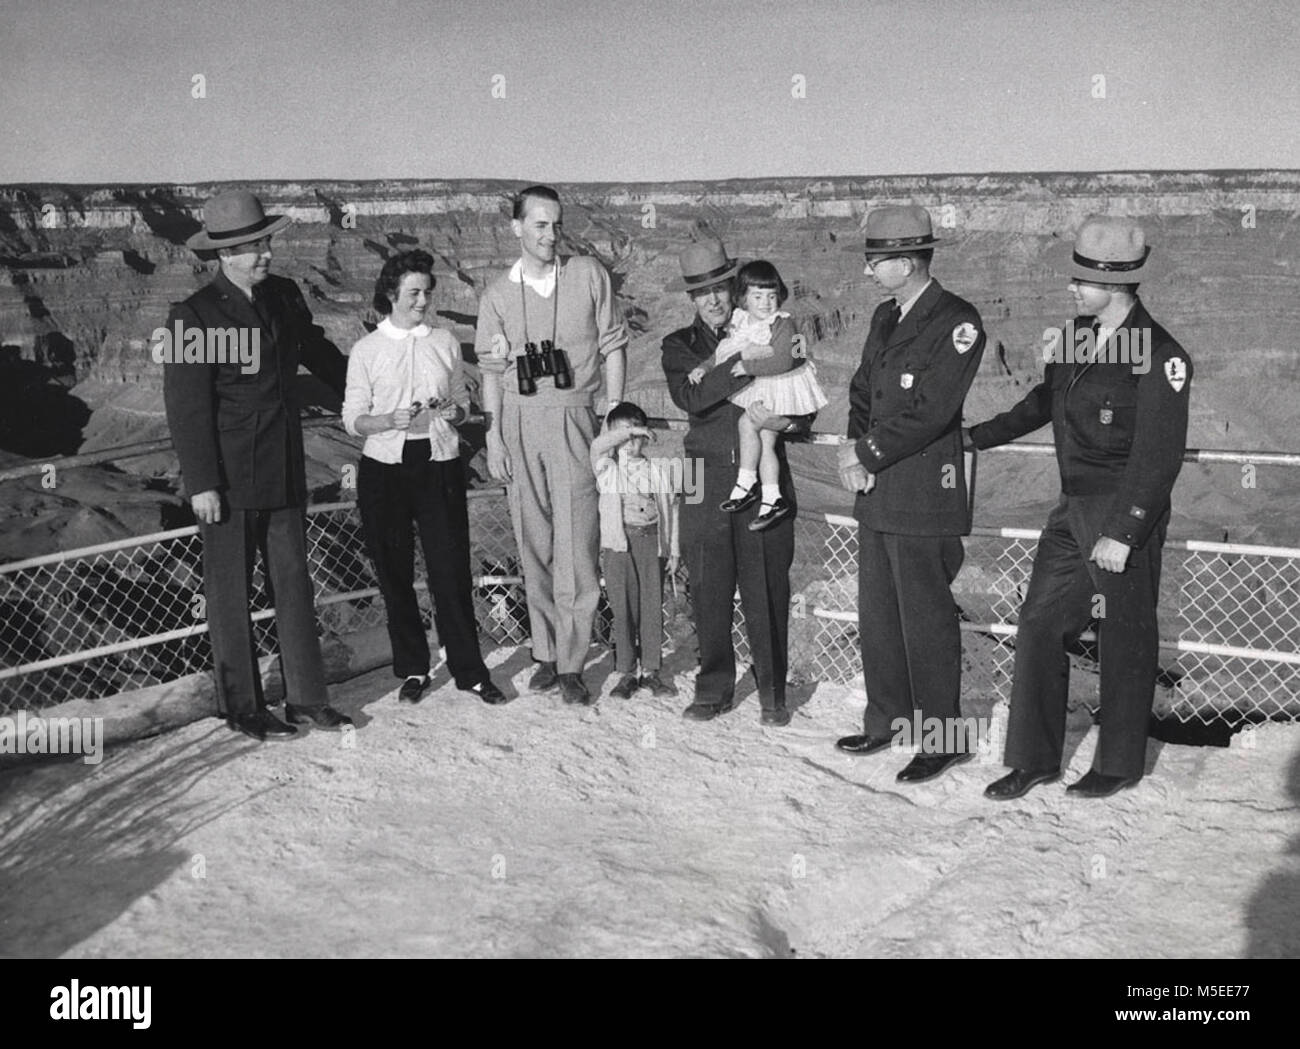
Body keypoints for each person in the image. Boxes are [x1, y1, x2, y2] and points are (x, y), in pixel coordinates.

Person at [969, 216, 1192, 800]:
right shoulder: (1077, 335)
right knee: (1040, 622)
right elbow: (1042, 400)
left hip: (1120, 512)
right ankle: (1034, 759)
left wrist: (1126, 530)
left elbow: (1159, 455)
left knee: (1124, 634)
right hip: (1071, 509)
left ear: (1115, 283)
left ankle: (1119, 763)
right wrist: (975, 437)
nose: (1070, 288)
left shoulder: (1163, 355)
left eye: (1079, 280)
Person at [162, 189, 352, 741]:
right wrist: (202, 482)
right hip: (227, 478)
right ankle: (243, 707)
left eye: (265, 240)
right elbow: (187, 407)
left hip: (286, 466)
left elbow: (318, 352)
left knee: (294, 585)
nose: (265, 252)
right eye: (252, 245)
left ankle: (308, 701)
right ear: (223, 254)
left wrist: (363, 393)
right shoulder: (193, 315)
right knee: (230, 595)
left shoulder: (285, 296)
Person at [834, 204, 986, 782]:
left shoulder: (957, 321)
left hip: (923, 492)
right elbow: (862, 391)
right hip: (875, 491)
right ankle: (887, 722)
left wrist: (867, 453)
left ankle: (943, 738)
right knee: (878, 615)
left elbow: (932, 411)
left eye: (876, 258)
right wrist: (854, 454)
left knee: (927, 620)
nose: (870, 268)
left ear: (906, 260)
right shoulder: (883, 316)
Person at [474, 185, 629, 706]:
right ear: (516, 227)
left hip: (574, 419)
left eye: (557, 224)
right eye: (539, 225)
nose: (550, 234)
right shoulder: (497, 294)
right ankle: (544, 651)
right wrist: (493, 434)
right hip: (519, 423)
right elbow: (491, 372)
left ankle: (571, 662)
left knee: (577, 546)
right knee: (533, 542)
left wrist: (614, 415)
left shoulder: (588, 276)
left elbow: (613, 346)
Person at [661, 239, 817, 727]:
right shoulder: (678, 347)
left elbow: (804, 406)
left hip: (765, 477)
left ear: (735, 287)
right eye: (701, 292)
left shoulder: (777, 330)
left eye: (720, 288)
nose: (713, 300)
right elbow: (694, 398)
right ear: (691, 298)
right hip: (705, 479)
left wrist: (786, 424)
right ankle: (713, 688)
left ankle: (773, 694)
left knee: (767, 584)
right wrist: (747, 362)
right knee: (708, 586)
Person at [343, 250, 506, 707]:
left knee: (450, 569)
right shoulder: (367, 350)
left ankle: (470, 672)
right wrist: (386, 421)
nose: (422, 300)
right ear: (391, 294)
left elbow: (460, 401)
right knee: (394, 573)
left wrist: (455, 412)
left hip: (439, 462)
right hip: (383, 469)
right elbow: (351, 417)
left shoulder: (445, 341)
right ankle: (413, 668)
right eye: (413, 292)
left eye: (427, 292)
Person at [687, 260, 828, 529]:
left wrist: (749, 367)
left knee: (746, 424)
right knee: (765, 439)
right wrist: (703, 368)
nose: (766, 303)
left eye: (772, 296)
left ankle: (746, 481)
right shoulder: (742, 323)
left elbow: (793, 359)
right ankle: (772, 496)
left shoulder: (785, 323)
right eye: (758, 296)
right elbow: (724, 352)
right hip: (765, 389)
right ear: (743, 299)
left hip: (785, 388)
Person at [590, 401, 681, 699]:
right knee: (623, 608)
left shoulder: (657, 470)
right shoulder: (607, 468)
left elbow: (672, 510)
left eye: (636, 436)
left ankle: (652, 671)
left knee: (651, 607)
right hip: (618, 546)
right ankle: (626, 672)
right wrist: (627, 431)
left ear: (646, 437)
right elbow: (599, 445)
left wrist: (674, 550)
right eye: (624, 436)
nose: (630, 443)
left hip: (650, 542)